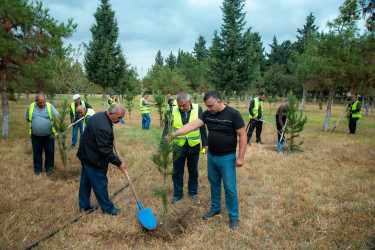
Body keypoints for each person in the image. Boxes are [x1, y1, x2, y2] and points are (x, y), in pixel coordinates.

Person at [167, 90, 247, 229]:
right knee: (214, 184)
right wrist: (175, 134)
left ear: (219, 101)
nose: (208, 109)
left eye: (210, 106)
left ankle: (233, 216)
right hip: (212, 156)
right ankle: (215, 208)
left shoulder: (233, 114)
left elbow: (243, 135)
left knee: (229, 188)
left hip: (227, 158)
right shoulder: (208, 114)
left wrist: (240, 157)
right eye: (207, 106)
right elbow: (192, 125)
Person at [77, 104, 127, 215]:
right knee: (100, 183)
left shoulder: (98, 115)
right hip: (94, 160)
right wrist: (119, 163)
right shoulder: (103, 127)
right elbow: (105, 152)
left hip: (85, 155)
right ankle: (108, 209)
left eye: (121, 117)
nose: (120, 120)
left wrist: (110, 136)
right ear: (110, 113)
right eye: (119, 117)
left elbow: (98, 135)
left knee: (85, 182)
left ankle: (84, 206)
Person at [161, 92, 208, 203]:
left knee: (193, 171)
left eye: (184, 105)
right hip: (178, 147)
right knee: (177, 171)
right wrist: (162, 147)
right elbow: (166, 130)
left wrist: (205, 143)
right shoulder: (172, 111)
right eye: (179, 105)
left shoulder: (199, 109)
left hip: (194, 145)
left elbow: (202, 127)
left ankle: (193, 192)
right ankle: (178, 194)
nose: (181, 108)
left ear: (189, 101)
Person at [26, 93, 59, 175]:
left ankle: (49, 169)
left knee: (50, 152)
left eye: (43, 102)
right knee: (37, 152)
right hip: (35, 136)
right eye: (40, 102)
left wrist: (59, 121)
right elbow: (27, 118)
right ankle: (37, 169)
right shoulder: (31, 107)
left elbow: (56, 116)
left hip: (49, 135)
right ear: (36, 101)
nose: (42, 104)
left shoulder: (49, 106)